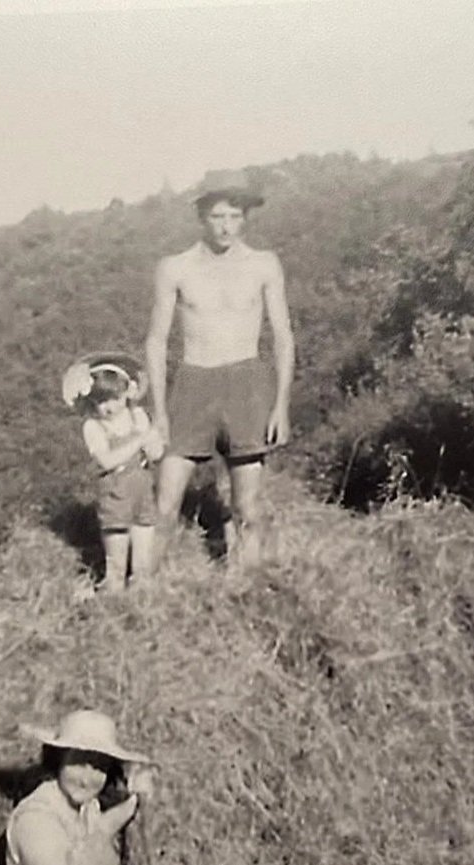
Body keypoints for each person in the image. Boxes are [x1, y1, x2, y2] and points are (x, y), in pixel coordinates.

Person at [144, 169, 295, 569]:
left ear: (245, 217)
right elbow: (156, 341)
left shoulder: (264, 264)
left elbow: (283, 336)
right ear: (201, 217)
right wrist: (159, 413)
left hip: (246, 384)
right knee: (164, 502)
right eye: (217, 217)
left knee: (247, 504)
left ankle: (249, 587)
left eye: (234, 216)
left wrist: (281, 405)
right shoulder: (174, 267)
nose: (226, 227)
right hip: (193, 381)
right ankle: (140, 594)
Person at [6, 709, 155, 865]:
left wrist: (135, 799)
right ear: (58, 759)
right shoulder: (35, 820)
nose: (86, 780)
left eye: (99, 767)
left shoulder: (89, 808)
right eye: (77, 763)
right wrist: (105, 829)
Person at [62, 353, 165, 592]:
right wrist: (140, 439)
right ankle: (113, 600)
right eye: (101, 401)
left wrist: (153, 444)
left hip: (143, 494)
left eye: (114, 399)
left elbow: (156, 454)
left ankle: (142, 607)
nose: (108, 407)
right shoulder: (93, 427)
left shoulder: (137, 416)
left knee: (143, 566)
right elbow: (107, 461)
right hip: (115, 499)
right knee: (116, 566)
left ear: (126, 393)